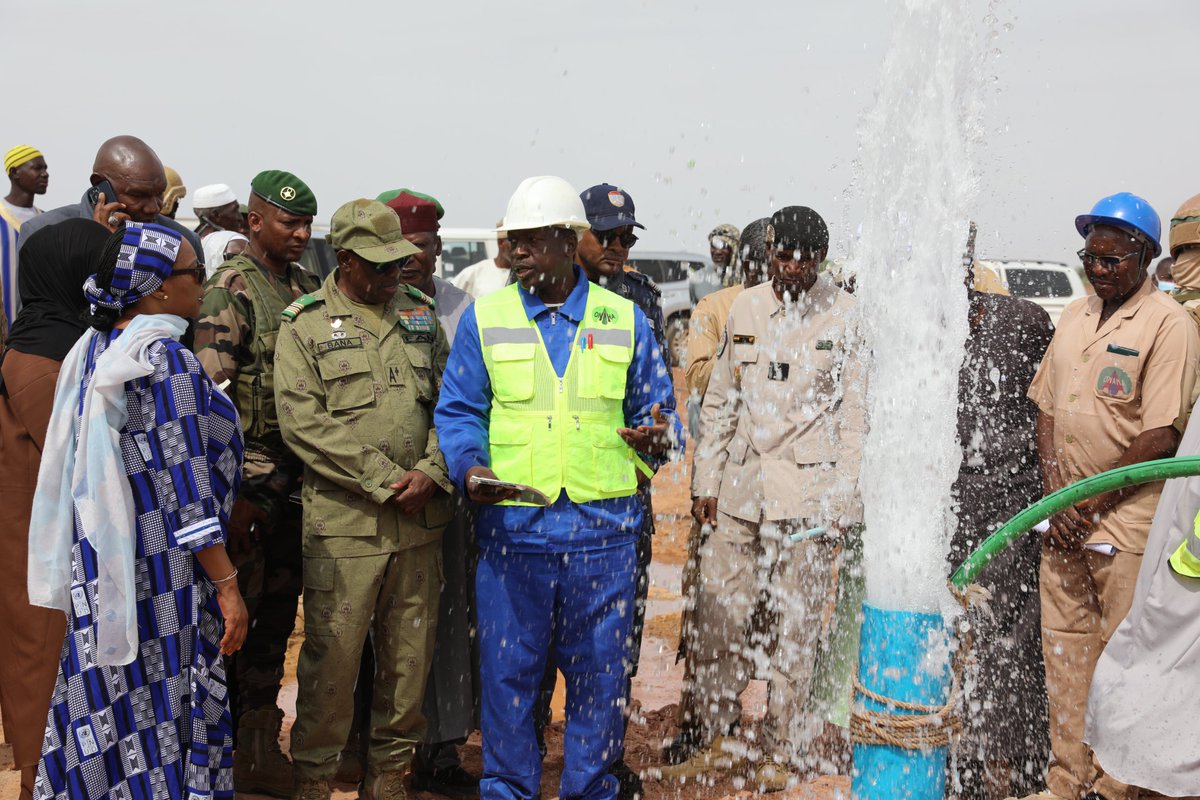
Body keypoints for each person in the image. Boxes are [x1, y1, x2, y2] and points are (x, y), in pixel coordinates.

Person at [435, 175, 681, 800]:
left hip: (604, 539)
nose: (516, 252)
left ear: (568, 242)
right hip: (514, 535)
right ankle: (509, 790)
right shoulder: (483, 320)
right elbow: (460, 411)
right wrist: (470, 469)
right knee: (509, 681)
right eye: (513, 240)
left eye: (531, 241)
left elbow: (663, 416)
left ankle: (589, 788)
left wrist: (658, 440)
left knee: (601, 682)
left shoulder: (624, 319)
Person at [27, 221, 248, 800]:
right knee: (166, 707)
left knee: (109, 704)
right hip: (164, 581)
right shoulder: (165, 358)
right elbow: (187, 485)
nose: (201, 282)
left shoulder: (96, 349)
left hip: (105, 571)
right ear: (155, 289)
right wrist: (226, 584)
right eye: (192, 273)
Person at [674, 206, 867, 792]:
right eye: (783, 256)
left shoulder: (847, 316)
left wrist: (843, 505)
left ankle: (780, 750)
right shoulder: (746, 307)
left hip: (807, 502)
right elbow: (721, 403)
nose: (792, 269)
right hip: (737, 494)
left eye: (804, 260)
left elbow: (856, 420)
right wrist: (705, 483)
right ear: (772, 252)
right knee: (720, 619)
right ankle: (716, 742)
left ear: (820, 259)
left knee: (795, 629)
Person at [276, 198, 454, 800]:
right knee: (332, 665)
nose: (390, 277)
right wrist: (385, 478)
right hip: (345, 528)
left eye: (396, 265)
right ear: (345, 259)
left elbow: (453, 406)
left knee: (408, 669)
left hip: (419, 524)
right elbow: (303, 422)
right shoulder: (304, 324)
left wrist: (433, 469)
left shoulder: (421, 316)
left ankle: (389, 783)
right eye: (378, 267)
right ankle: (316, 782)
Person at [1026, 192, 1200, 800]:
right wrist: (1055, 496)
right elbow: (1045, 406)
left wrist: (1087, 503)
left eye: (1110, 260)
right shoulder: (1075, 316)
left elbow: (1162, 433)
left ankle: (1112, 786)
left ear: (1147, 257)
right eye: (1089, 259)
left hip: (1125, 524)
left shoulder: (1169, 325)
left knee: (1119, 659)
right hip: (1065, 522)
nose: (1097, 271)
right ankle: (1065, 781)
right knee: (1065, 656)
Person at [192, 169, 321, 797]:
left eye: (305, 225)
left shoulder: (304, 287)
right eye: (288, 223)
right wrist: (235, 494)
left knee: (278, 614)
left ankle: (258, 744)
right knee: (236, 620)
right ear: (253, 222)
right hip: (250, 487)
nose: (299, 234)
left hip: (299, 480)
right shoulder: (230, 292)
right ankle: (228, 751)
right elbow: (213, 401)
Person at [0, 217, 110, 800]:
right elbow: (79, 463)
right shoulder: (42, 362)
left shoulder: (60, 345)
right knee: (39, 669)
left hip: (48, 548)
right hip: (37, 557)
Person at [665, 215, 769, 766]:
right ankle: (701, 722)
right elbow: (701, 375)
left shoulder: (803, 304)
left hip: (777, 488)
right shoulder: (717, 309)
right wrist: (756, 360)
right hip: (721, 484)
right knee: (708, 609)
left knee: (774, 610)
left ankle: (767, 729)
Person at [950, 242, 1054, 800]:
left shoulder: (1023, 322)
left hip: (1015, 509)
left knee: (1014, 643)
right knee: (954, 642)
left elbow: (1051, 410)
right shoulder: (916, 332)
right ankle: (960, 769)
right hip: (948, 514)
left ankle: (1026, 770)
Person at [19, 136, 203, 267]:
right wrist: (104, 245)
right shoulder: (43, 235)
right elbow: (34, 318)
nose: (154, 208)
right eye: (139, 195)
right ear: (99, 185)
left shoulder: (183, 241)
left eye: (159, 194)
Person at [1, 144, 49, 334]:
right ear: (15, 173)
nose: (45, 174)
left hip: (34, 330)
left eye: (45, 168)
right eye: (37, 168)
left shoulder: (47, 221)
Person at [452, 220, 513, 298]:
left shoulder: (525, 275)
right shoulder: (476, 273)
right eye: (513, 242)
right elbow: (449, 296)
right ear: (500, 243)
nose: (519, 249)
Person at [689, 223, 740, 303]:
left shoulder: (747, 278)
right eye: (714, 246)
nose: (718, 252)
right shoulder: (697, 279)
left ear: (734, 249)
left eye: (724, 246)